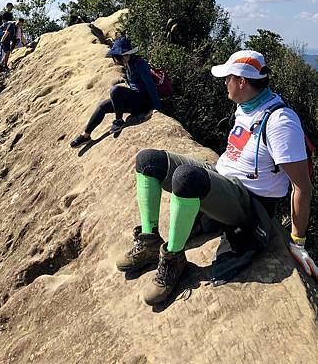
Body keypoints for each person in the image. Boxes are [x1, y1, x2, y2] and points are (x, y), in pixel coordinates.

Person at [116, 50, 317, 306]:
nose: (225, 82)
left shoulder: (281, 122)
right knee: (148, 160)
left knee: (187, 179)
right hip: (224, 178)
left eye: (228, 77)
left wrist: (298, 241)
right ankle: (150, 241)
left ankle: (174, 260)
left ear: (242, 82)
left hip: (249, 202)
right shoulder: (246, 105)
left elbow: (302, 187)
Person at [70, 37, 163, 147]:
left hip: (144, 102)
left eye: (117, 58)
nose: (116, 61)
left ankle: (118, 121)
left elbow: (150, 86)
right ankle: (85, 136)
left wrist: (158, 108)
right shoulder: (128, 64)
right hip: (134, 101)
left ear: (126, 55)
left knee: (115, 90)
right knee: (102, 106)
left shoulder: (140, 64)